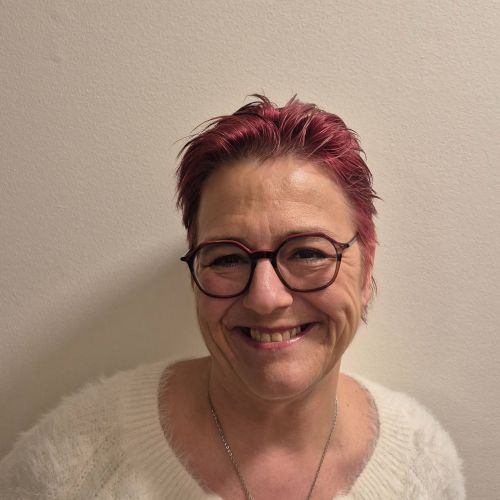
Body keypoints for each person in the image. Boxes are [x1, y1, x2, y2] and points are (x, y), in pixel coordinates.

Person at [0, 95, 465, 499]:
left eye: (307, 252)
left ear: (366, 269)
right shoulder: (72, 465)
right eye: (226, 258)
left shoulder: (423, 466)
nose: (265, 298)